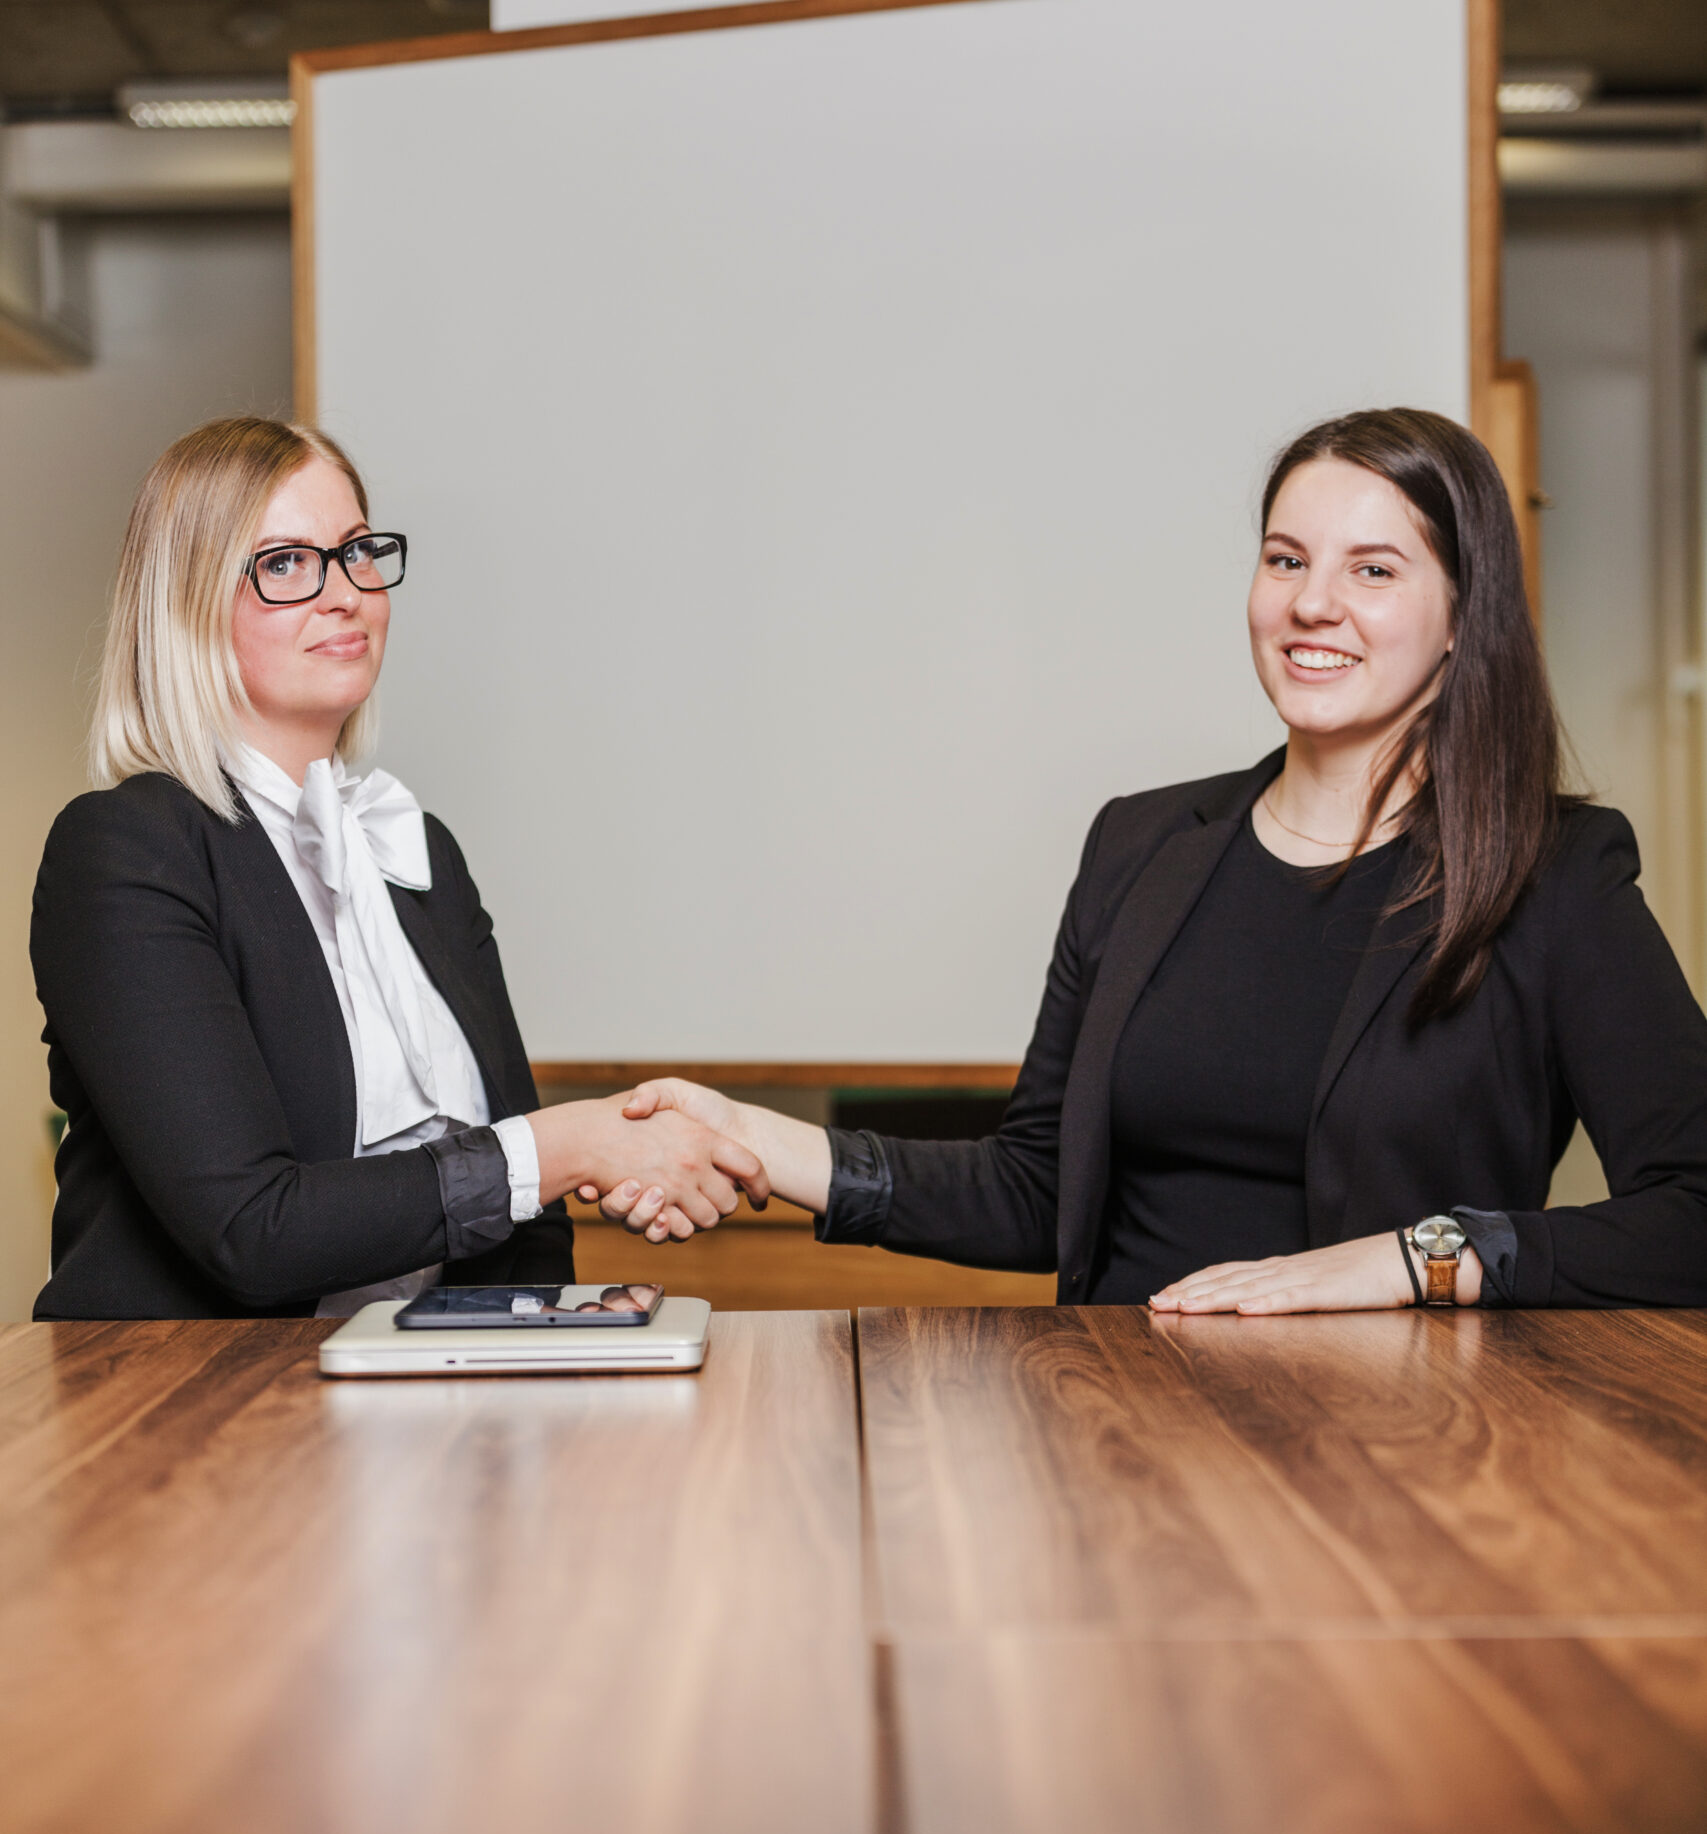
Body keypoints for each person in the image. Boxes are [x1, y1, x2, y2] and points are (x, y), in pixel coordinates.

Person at [605, 407, 1707, 1312]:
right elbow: (1037, 1189)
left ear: (1466, 617)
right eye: (1286, 559)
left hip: (1395, 1461)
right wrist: (753, 1138)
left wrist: (1412, 1260)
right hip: (1119, 1434)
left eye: (1374, 569)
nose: (1311, 602)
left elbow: (1691, 1209)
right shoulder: (1138, 844)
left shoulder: (1552, 874)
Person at [32, 417, 766, 1320]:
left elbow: (524, 1228)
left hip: (410, 1410)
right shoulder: (124, 850)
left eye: (357, 552)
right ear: (183, 603)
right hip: (184, 1418)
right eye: (285, 563)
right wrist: (569, 1145)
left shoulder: (418, 851)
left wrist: (541, 1335)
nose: (345, 594)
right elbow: (252, 1232)